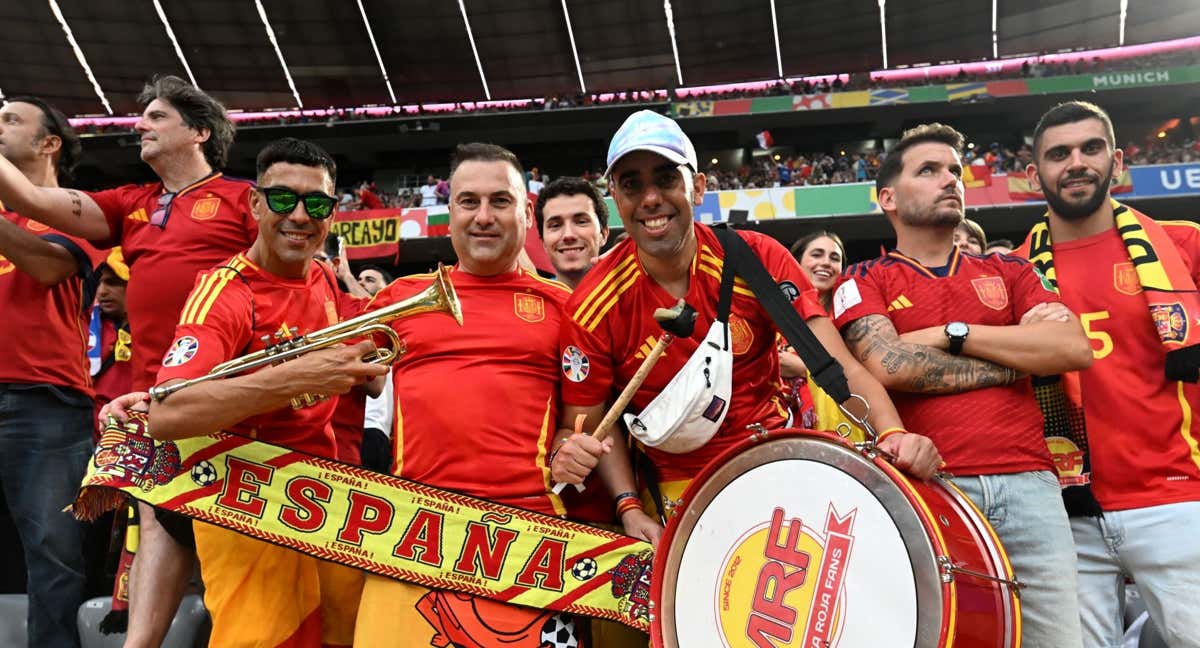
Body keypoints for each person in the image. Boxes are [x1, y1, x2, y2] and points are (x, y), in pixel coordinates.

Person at [550, 110, 941, 544]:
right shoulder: (591, 305)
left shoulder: (757, 258)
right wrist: (628, 506)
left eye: (665, 179)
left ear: (697, 187)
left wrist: (893, 432)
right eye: (631, 185)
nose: (650, 199)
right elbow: (589, 428)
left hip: (775, 464)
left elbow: (837, 366)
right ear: (614, 199)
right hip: (678, 494)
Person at [0, 75, 257, 648]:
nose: (139, 124)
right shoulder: (131, 204)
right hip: (149, 400)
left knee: (231, 536)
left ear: (198, 132)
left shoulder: (246, 199)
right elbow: (33, 199)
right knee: (158, 527)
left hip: (229, 393)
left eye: (157, 117)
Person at [108, 137, 386, 647]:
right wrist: (303, 376)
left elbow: (371, 373)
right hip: (245, 503)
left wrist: (365, 365)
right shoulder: (225, 291)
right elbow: (170, 413)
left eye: (317, 203)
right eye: (283, 199)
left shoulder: (323, 277)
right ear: (255, 203)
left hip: (318, 501)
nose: (300, 215)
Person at [834, 122, 1092, 648]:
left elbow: (1071, 349)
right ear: (887, 196)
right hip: (929, 486)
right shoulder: (863, 278)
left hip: (1031, 486)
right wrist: (1016, 356)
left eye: (954, 170)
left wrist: (955, 335)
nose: (950, 179)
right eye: (928, 170)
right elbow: (890, 366)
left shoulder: (1010, 268)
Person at [354, 143, 582, 647]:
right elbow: (324, 385)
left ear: (526, 212)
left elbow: (580, 422)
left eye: (500, 201)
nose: (483, 217)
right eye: (468, 201)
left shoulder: (567, 308)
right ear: (449, 211)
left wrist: (570, 446)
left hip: (531, 547)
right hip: (414, 539)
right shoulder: (397, 299)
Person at [1016, 101, 1200, 647]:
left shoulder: (1185, 245)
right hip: (1068, 516)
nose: (1076, 163)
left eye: (1091, 149)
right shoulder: (1015, 272)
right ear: (1033, 175)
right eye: (1058, 154)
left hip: (1176, 500)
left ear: (1117, 162)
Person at [0, 95, 104, 648]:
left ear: (49, 143)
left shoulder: (76, 208)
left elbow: (43, 267)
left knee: (53, 555)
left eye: (10, 120)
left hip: (44, 401)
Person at [781, 231, 860, 437]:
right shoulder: (773, 315)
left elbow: (861, 377)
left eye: (834, 258)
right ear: (796, 262)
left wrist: (803, 368)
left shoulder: (851, 320)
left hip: (840, 435)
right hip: (778, 431)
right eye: (817, 255)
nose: (826, 263)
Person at [535, 176, 610, 289]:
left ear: (603, 234)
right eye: (555, 225)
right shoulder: (530, 302)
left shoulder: (632, 299)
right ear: (543, 242)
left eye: (581, 222)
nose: (568, 235)